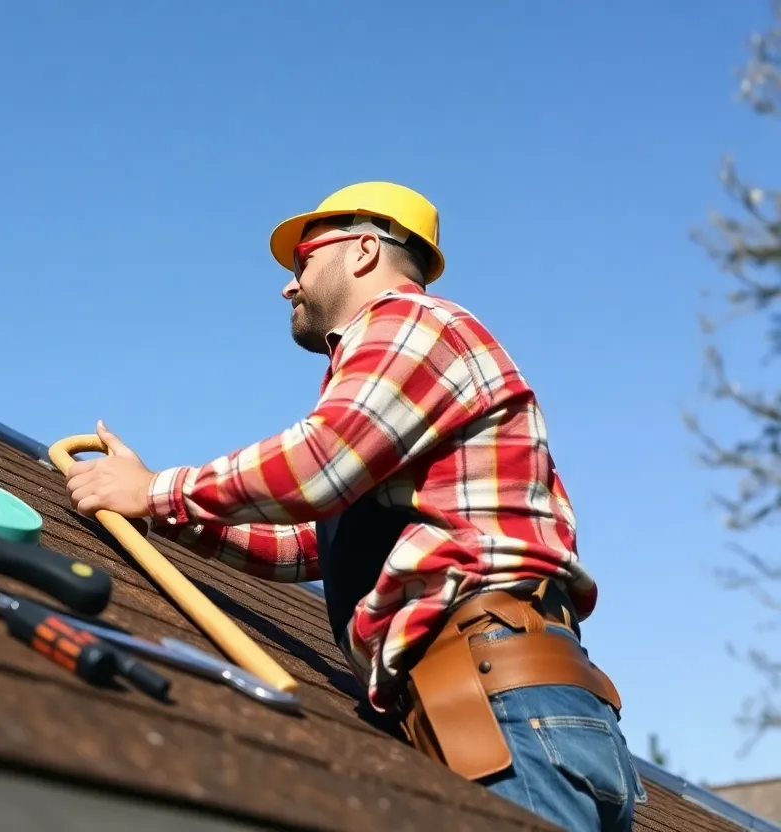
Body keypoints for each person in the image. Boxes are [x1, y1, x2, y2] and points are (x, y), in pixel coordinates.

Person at [62, 182, 647, 831]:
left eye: (303, 260)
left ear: (365, 249)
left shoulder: (414, 325)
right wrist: (156, 513)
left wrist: (155, 489)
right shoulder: (398, 397)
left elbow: (316, 464)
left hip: (503, 702)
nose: (290, 285)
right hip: (510, 705)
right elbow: (310, 544)